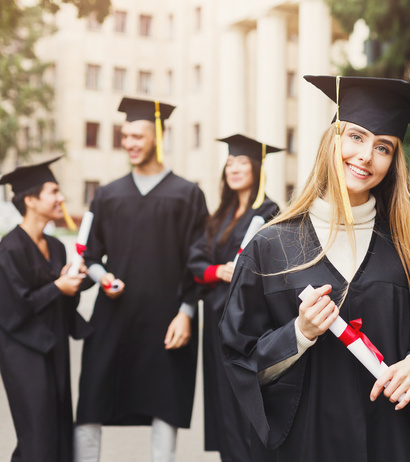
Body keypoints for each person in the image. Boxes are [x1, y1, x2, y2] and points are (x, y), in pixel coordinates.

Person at [219, 75, 410, 462]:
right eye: (356, 137)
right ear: (333, 140)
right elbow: (241, 360)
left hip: (395, 439)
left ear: (393, 162)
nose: (366, 156)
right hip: (308, 442)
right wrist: (299, 333)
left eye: (383, 148)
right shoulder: (271, 247)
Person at [74, 97, 209, 462]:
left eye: (138, 135)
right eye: (125, 135)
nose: (130, 142)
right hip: (113, 317)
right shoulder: (107, 194)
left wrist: (186, 313)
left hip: (166, 317)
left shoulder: (187, 194)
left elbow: (198, 262)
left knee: (163, 402)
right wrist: (103, 278)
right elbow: (89, 254)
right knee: (92, 398)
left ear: (158, 137)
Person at [187, 134, 281, 462]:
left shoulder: (270, 212)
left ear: (257, 167)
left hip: (248, 324)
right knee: (221, 400)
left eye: (242, 162)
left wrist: (242, 273)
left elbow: (274, 265)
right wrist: (218, 271)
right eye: (229, 163)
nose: (234, 168)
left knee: (245, 400)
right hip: (216, 319)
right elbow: (196, 258)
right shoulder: (219, 215)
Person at [0, 156, 91, 461]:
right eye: (53, 191)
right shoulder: (10, 249)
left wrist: (73, 283)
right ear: (30, 199)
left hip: (55, 348)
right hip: (22, 353)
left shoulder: (56, 246)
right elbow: (12, 309)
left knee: (60, 427)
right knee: (37, 433)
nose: (61, 198)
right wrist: (57, 287)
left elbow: (63, 304)